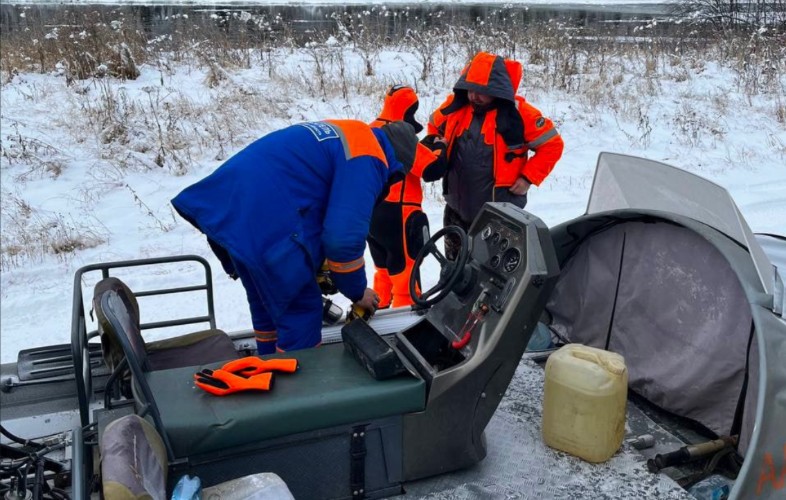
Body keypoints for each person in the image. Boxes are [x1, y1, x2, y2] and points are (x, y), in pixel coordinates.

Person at [171, 119, 418, 354]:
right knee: (301, 309)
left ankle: (268, 368)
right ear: (398, 162)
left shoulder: (350, 132)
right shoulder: (370, 156)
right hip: (268, 217)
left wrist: (318, 260)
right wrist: (358, 292)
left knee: (267, 306)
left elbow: (310, 194)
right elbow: (343, 239)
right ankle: (299, 381)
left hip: (232, 204)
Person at [428, 51, 564, 259]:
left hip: (500, 215)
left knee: (492, 270)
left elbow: (552, 145)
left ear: (498, 89)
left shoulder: (520, 115)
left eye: (482, 91)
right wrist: (438, 146)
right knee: (454, 269)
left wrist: (528, 177)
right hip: (456, 210)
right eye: (471, 89)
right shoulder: (456, 107)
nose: (474, 96)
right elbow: (433, 125)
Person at [367, 85, 447, 308]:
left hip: (373, 211)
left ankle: (376, 308)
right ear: (408, 109)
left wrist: (424, 145)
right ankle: (405, 314)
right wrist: (441, 148)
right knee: (405, 271)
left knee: (383, 268)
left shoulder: (371, 129)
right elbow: (432, 169)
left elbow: (408, 153)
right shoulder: (398, 133)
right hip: (399, 212)